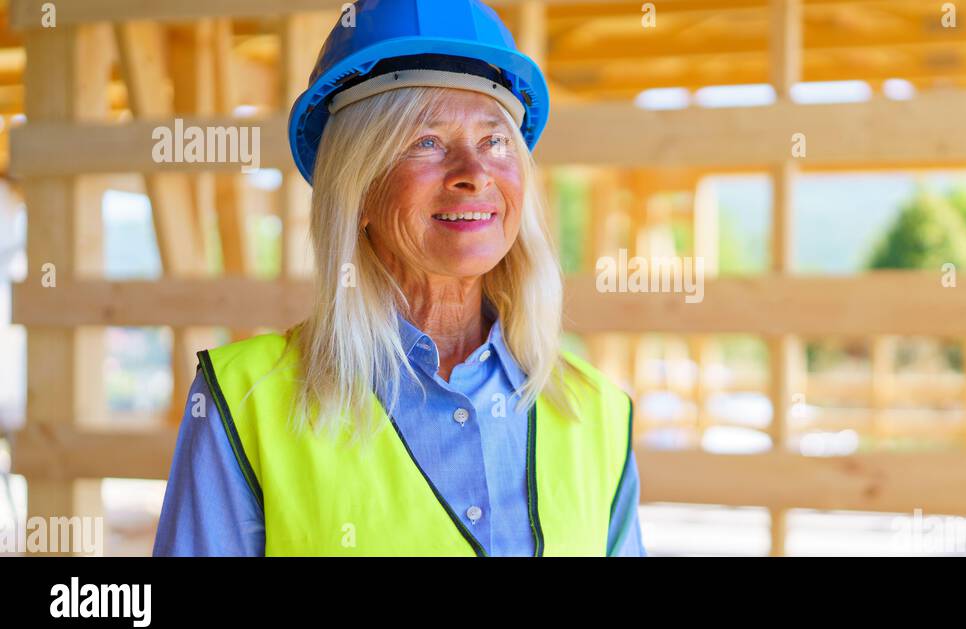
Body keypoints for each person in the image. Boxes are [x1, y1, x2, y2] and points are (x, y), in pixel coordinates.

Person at [153, 0, 646, 556]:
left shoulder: (598, 412)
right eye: (427, 142)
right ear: (357, 187)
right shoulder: (246, 404)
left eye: (494, 141)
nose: (474, 173)